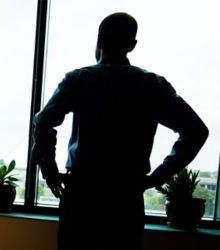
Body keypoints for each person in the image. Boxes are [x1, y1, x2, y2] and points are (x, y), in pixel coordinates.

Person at [32, 12, 209, 250]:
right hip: (126, 197)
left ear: (99, 40)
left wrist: (50, 170)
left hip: (82, 195)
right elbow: (197, 131)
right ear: (132, 45)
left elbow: (43, 123)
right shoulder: (153, 85)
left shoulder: (79, 79)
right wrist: (155, 178)